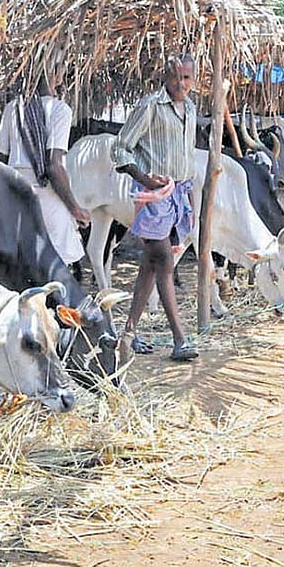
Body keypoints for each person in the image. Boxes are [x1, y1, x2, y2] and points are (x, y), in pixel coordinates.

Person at [111, 54, 199, 362]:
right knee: (164, 260)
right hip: (152, 198)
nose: (181, 84)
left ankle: (128, 333)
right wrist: (143, 178)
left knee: (149, 265)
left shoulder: (190, 108)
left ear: (193, 78)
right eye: (175, 77)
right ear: (165, 75)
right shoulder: (150, 105)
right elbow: (120, 147)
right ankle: (180, 338)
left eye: (187, 77)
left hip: (177, 196)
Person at [0, 72, 91, 268]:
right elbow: (54, 167)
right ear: (55, 76)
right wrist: (75, 209)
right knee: (54, 266)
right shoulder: (60, 110)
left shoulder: (13, 108)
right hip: (47, 195)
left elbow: (1, 159)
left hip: (16, 192)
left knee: (24, 263)